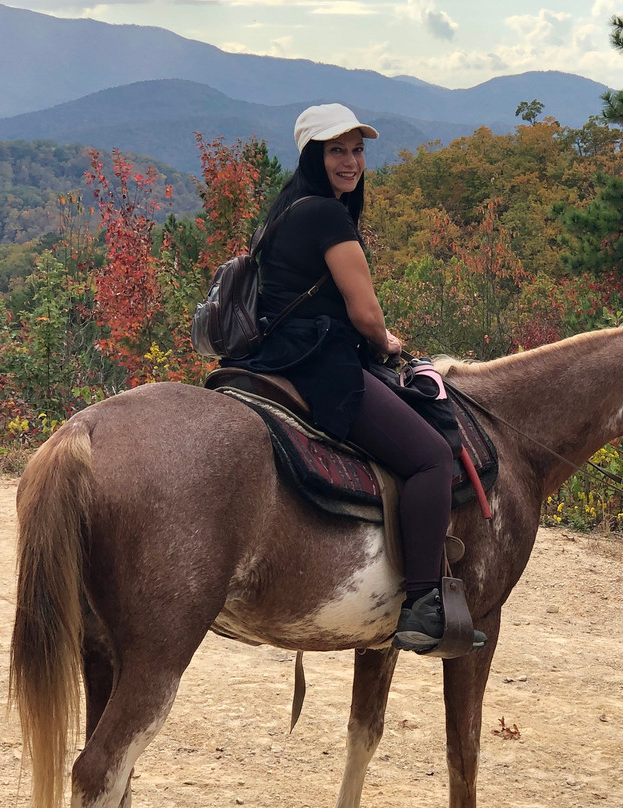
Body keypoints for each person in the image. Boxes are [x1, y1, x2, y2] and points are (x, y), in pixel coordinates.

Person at [227, 103, 485, 653]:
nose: (351, 161)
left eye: (357, 149)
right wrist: (383, 341)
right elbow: (366, 315)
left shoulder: (285, 209)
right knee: (430, 458)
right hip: (321, 367)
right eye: (336, 150)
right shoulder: (326, 214)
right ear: (312, 156)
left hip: (273, 360)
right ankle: (421, 603)